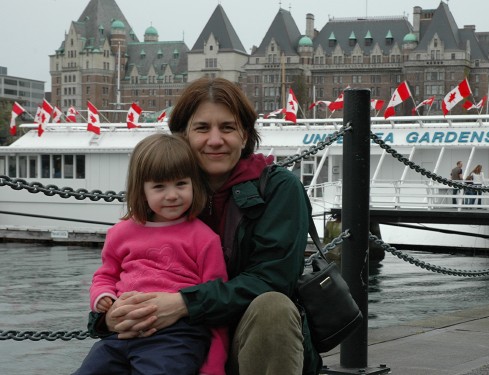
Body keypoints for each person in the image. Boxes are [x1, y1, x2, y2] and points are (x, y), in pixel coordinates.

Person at [86, 78, 319, 375]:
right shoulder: (169, 194)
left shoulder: (278, 188)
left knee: (273, 307)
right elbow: (119, 271)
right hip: (159, 345)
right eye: (202, 128)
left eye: (227, 127)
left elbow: (273, 280)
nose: (215, 140)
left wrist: (184, 304)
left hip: (248, 342)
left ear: (245, 134)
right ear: (182, 135)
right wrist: (108, 317)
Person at [75, 134, 229, 375]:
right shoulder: (120, 233)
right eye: (159, 186)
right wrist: (103, 297)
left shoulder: (204, 238)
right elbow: (105, 276)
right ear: (142, 189)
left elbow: (216, 301)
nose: (172, 195)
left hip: (177, 336)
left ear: (194, 184)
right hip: (121, 335)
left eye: (181, 184)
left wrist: (214, 366)